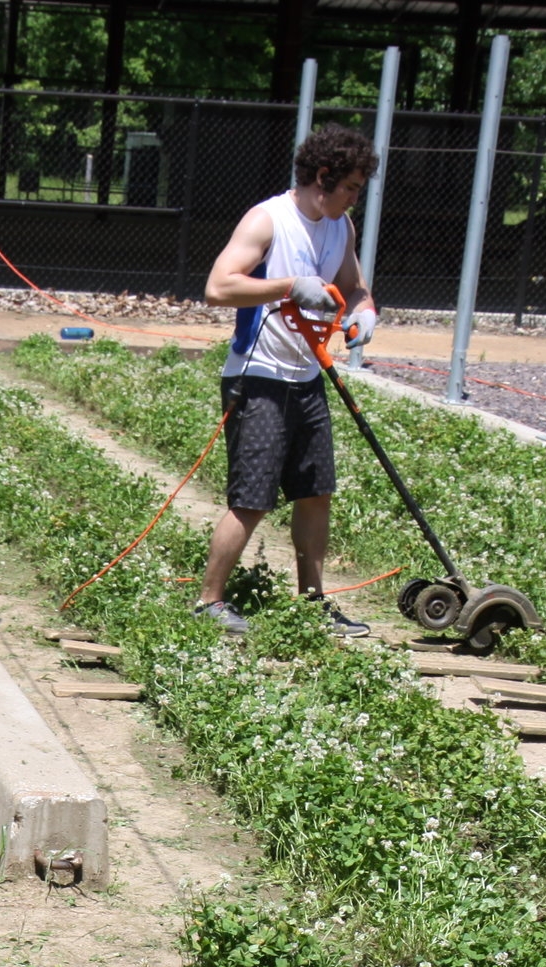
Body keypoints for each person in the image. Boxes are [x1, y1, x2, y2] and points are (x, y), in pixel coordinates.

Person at [197, 124, 382, 638]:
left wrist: (364, 312)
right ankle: (209, 600)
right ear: (323, 176)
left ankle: (313, 603)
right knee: (252, 497)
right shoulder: (268, 219)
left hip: (306, 374)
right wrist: (289, 286)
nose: (353, 200)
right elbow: (218, 286)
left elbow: (354, 285)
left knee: (315, 491)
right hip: (258, 375)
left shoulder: (339, 228)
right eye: (350, 188)